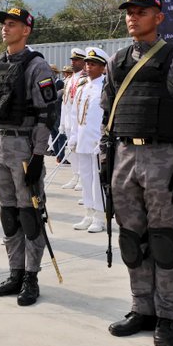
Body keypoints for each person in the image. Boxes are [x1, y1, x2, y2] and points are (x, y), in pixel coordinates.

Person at [100, 0, 173, 346]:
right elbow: (107, 117)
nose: (133, 17)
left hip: (163, 157)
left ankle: (167, 315)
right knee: (132, 239)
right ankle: (142, 308)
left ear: (159, 17)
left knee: (163, 240)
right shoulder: (116, 61)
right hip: (124, 158)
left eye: (141, 11)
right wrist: (107, 162)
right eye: (129, 12)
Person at [0, 7, 60, 306]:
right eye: (3, 25)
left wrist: (38, 156)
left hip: (24, 147)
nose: (5, 29)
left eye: (12, 24)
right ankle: (14, 272)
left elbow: (45, 115)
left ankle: (31, 277)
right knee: (8, 213)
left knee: (29, 214)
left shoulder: (37, 67)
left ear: (26, 30)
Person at [72, 46, 108, 232]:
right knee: (86, 179)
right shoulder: (82, 87)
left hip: (97, 141)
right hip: (83, 139)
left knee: (97, 180)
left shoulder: (107, 88)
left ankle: (100, 216)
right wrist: (72, 136)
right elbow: (74, 113)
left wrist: (104, 139)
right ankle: (88, 212)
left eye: (93, 64)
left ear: (103, 68)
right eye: (87, 63)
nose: (88, 67)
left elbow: (108, 116)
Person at [59, 48, 88, 189]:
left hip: (79, 122)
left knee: (80, 151)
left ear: (84, 62)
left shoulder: (85, 79)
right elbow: (65, 103)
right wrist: (62, 122)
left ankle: (83, 178)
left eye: (76, 60)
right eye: (72, 60)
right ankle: (75, 176)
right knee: (71, 152)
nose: (73, 62)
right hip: (69, 122)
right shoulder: (69, 80)